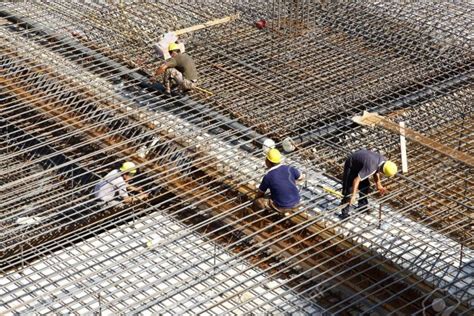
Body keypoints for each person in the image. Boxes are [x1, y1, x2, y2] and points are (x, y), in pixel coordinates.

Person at [338, 149, 397, 219]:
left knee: (365, 185)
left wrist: (379, 185)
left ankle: (362, 206)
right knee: (349, 191)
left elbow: (376, 171)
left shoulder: (383, 161)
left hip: (362, 164)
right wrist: (353, 195)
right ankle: (344, 213)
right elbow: (356, 180)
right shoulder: (371, 167)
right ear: (384, 171)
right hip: (352, 165)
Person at [254, 148, 304, 215]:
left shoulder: (268, 176)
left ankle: (263, 215)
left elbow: (260, 193)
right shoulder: (289, 168)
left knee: (258, 201)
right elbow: (301, 177)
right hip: (297, 202)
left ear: (267, 161)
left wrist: (257, 198)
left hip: (282, 206)